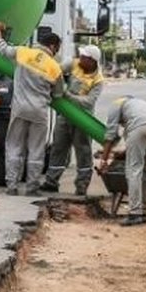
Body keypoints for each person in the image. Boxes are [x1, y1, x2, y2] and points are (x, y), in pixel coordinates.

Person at [0, 24, 64, 196]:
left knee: (14, 146)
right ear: (53, 46)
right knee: (36, 150)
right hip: (39, 111)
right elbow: (59, 93)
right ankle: (32, 187)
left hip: (19, 109)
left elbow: (3, 49)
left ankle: (12, 186)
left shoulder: (23, 52)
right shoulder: (54, 67)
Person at [41, 45, 104, 195]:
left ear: (92, 61)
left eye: (84, 57)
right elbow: (56, 71)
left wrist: (68, 95)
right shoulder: (74, 64)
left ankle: (82, 185)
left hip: (83, 118)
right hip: (65, 115)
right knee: (58, 147)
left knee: (83, 151)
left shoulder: (98, 80)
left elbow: (89, 102)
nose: (80, 59)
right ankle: (51, 181)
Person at [97, 96, 146, 226]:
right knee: (144, 169)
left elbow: (110, 135)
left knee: (133, 170)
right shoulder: (138, 103)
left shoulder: (116, 104)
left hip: (139, 127)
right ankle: (143, 211)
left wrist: (104, 161)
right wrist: (120, 155)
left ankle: (134, 213)